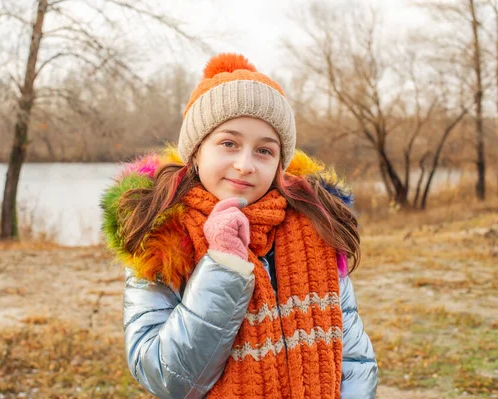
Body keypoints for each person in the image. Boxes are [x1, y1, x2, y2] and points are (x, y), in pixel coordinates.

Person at [101, 53, 377, 399]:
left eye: (264, 151)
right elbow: (167, 377)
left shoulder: (315, 229)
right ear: (197, 152)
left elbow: (354, 360)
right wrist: (223, 266)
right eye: (229, 143)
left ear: (279, 163)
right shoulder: (162, 237)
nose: (245, 164)